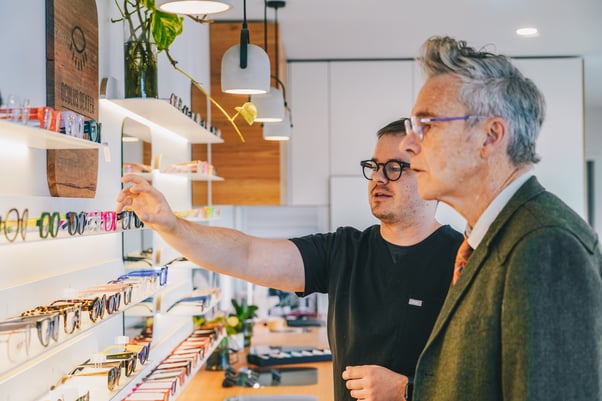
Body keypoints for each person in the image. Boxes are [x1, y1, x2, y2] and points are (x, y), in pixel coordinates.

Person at [116, 119, 463, 401]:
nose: (378, 178)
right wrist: (171, 225)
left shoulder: (462, 261)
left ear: (430, 175)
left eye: (395, 168)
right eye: (373, 167)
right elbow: (246, 254)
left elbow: (490, 380)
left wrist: (407, 391)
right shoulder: (344, 250)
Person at [403, 36, 602, 401]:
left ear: (490, 136)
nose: (408, 144)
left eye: (427, 125)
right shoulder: (489, 238)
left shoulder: (545, 245)